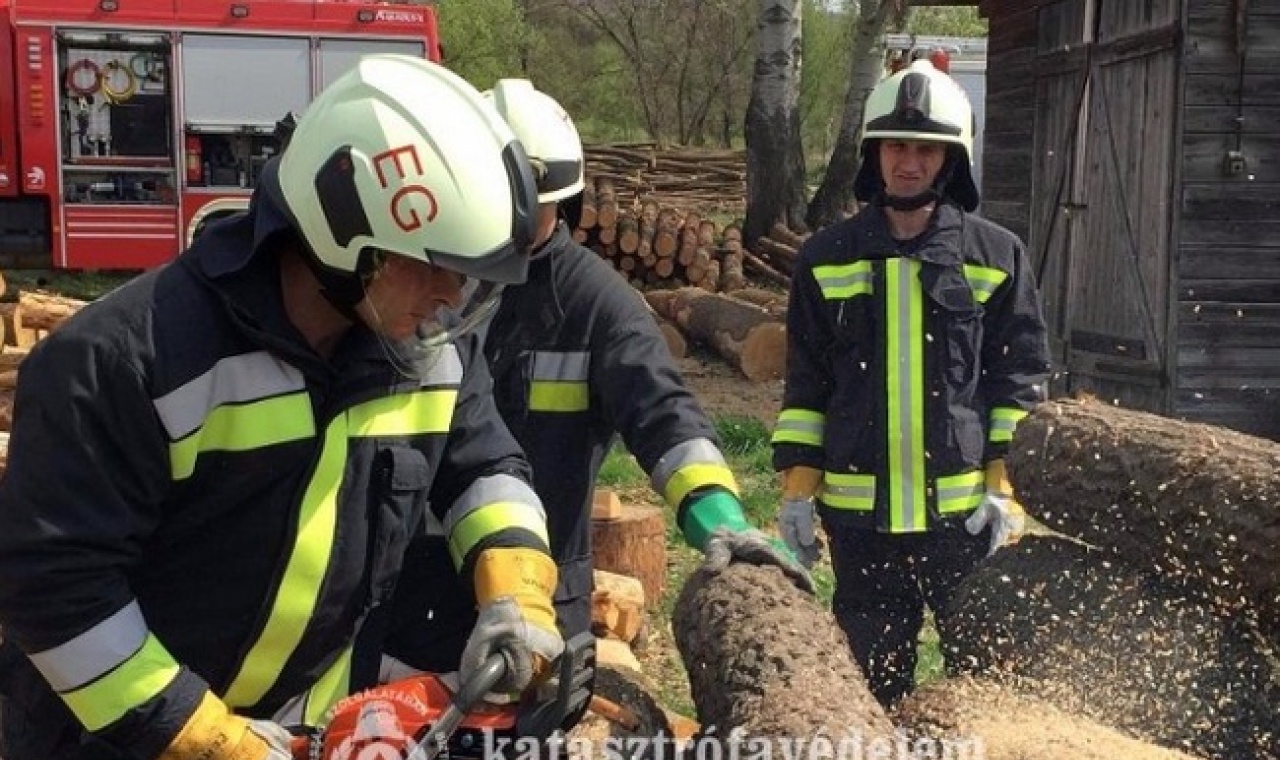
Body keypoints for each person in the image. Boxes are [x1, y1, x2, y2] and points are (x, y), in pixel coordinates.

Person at [0, 56, 562, 760]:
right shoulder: (126, 362)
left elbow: (488, 471)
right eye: (435, 268)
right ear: (347, 236)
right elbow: (57, 592)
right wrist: (205, 746)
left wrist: (519, 598)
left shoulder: (422, 353)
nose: (450, 298)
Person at [378, 79, 811, 679]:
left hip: (538, 601)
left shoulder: (595, 304)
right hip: (404, 592)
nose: (508, 219)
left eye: (532, 202)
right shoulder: (419, 280)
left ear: (568, 203)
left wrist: (718, 513)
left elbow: (664, 412)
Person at [771, 58, 1051, 708]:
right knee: (872, 694)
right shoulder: (826, 257)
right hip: (860, 525)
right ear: (875, 154)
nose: (910, 161)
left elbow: (1019, 384)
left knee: (982, 689)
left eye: (926, 148)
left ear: (951, 159)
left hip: (962, 523)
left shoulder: (996, 255)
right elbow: (807, 387)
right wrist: (798, 495)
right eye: (897, 145)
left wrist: (1002, 492)